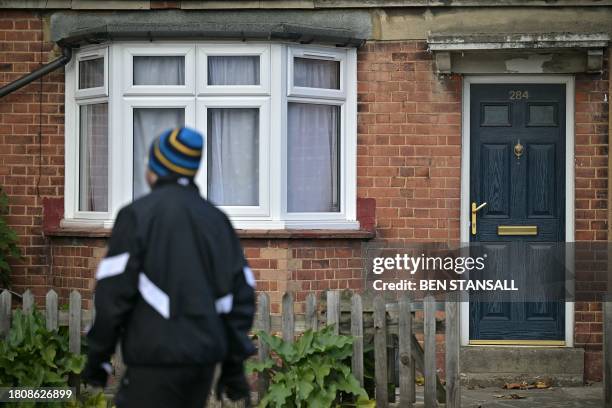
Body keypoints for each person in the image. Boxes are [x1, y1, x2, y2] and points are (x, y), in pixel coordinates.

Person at [82, 127, 256, 408]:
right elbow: (241, 295)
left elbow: (112, 295)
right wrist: (233, 367)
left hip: (154, 363)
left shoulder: (137, 216)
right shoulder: (217, 221)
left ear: (157, 168)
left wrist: (98, 359)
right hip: (202, 365)